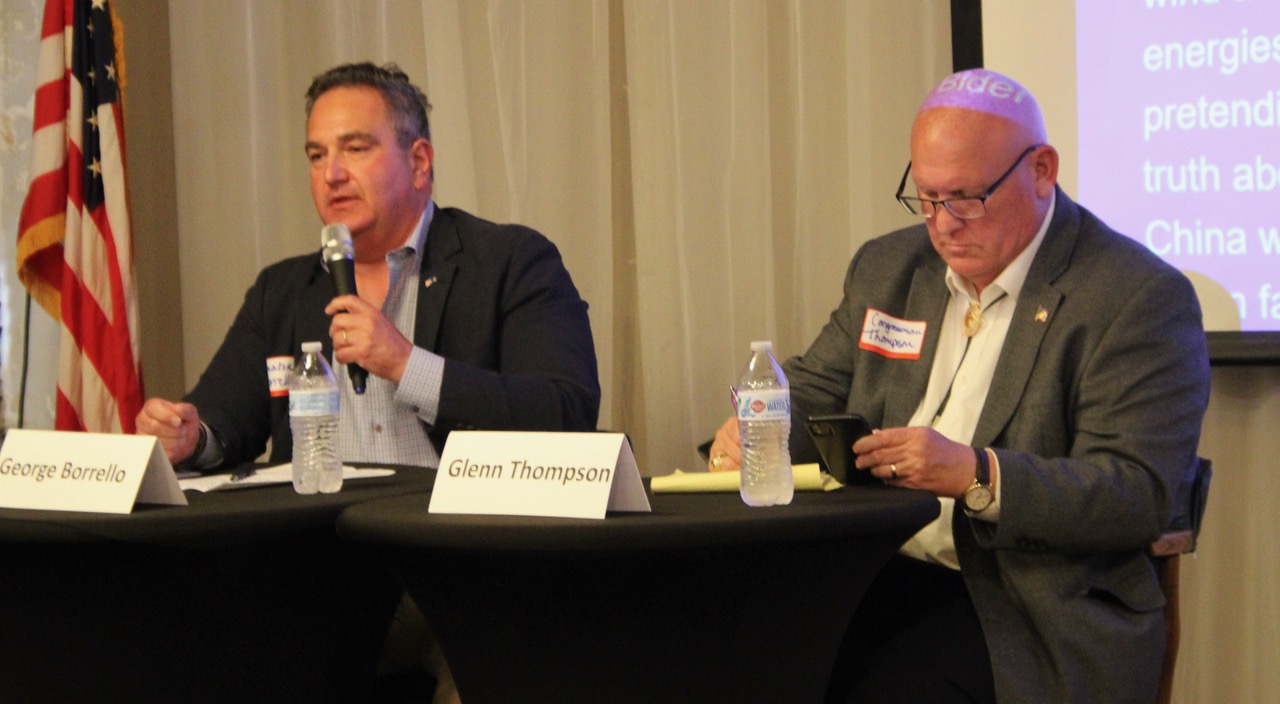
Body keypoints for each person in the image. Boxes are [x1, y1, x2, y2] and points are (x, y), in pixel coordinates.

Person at [707, 68, 1209, 704]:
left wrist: (979, 474)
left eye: (967, 198)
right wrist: (763, 423)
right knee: (733, 662)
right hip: (871, 567)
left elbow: (1134, 493)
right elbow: (814, 387)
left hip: (1025, 598)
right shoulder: (890, 267)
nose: (942, 225)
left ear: (1042, 171)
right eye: (926, 197)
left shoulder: (1133, 297)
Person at [136, 62, 601, 704]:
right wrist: (192, 434)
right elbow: (226, 415)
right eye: (316, 154)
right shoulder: (285, 288)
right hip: (316, 576)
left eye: (356, 148)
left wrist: (406, 364)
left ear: (418, 161)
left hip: (463, 573)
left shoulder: (510, 263)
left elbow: (564, 409)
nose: (331, 174)